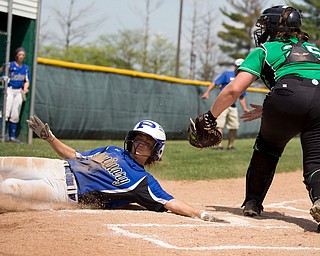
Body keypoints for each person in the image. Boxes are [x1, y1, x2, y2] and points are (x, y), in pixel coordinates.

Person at [193, 5, 320, 226]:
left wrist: (210, 117)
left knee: (268, 149)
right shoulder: (316, 50)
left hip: (285, 97)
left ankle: (253, 202)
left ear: (274, 26)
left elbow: (234, 90)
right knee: (317, 159)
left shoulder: (265, 49)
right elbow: (307, 89)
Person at [0, 115, 218, 222]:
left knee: (9, 188)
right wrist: (50, 138)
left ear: (156, 151)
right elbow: (74, 155)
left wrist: (201, 213)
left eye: (147, 142)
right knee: (3, 163)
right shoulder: (113, 150)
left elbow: (170, 202)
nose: (140, 143)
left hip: (62, 191)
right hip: (55, 166)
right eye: (137, 138)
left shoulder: (143, 182)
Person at [201, 59, 249, 150]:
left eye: (241, 66)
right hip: (222, 105)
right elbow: (215, 83)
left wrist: (245, 108)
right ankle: (219, 145)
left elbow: (242, 97)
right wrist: (207, 92)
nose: (239, 68)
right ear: (235, 66)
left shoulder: (243, 79)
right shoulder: (227, 74)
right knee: (219, 125)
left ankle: (230, 146)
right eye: (238, 66)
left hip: (233, 106)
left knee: (234, 126)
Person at [4, 47, 30, 143]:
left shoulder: (25, 68)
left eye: (23, 55)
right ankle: (3, 134)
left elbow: (27, 81)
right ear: (16, 55)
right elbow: (3, 74)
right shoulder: (10, 65)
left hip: (19, 91)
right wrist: (4, 67)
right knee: (6, 111)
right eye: (20, 54)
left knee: (15, 114)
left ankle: (12, 137)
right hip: (9, 90)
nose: (21, 56)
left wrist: (25, 88)